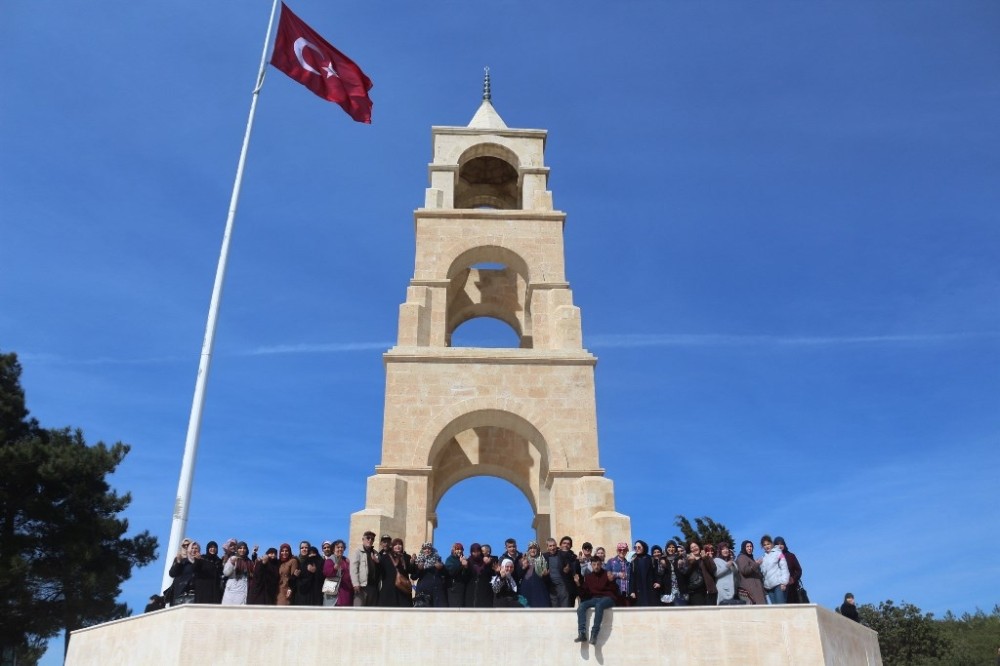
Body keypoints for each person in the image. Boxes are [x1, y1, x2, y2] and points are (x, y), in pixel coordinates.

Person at [575, 556, 620, 645]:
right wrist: (578, 584)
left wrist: (611, 581)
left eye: (598, 564)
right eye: (594, 564)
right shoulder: (588, 577)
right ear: (591, 565)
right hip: (594, 598)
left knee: (599, 605)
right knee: (582, 606)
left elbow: (615, 590)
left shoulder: (607, 574)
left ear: (601, 564)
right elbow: (584, 593)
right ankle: (582, 633)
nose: (596, 566)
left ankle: (594, 634)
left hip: (608, 598)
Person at [378, 538, 415, 607]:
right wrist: (377, 563)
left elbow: (411, 571)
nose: (398, 546)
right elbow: (379, 571)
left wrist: (412, 563)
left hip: (403, 589)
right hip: (389, 590)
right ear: (392, 546)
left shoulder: (406, 557)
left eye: (400, 544)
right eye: (395, 545)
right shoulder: (385, 557)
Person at [350, 531, 380, 607]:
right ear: (363, 539)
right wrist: (356, 584)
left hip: (373, 587)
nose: (370, 540)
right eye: (368, 538)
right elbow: (353, 569)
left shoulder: (376, 553)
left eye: (372, 539)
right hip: (361, 587)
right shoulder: (357, 552)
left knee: (371, 612)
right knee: (358, 610)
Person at [413, 542, 447, 607]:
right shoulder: (418, 561)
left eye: (429, 548)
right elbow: (413, 577)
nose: (427, 550)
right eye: (425, 549)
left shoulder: (438, 560)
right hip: (423, 594)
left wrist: (441, 568)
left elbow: (445, 574)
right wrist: (419, 569)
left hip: (436, 592)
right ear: (422, 550)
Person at [758, 535, 789, 604]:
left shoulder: (778, 553)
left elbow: (784, 568)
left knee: (781, 607)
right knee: (775, 610)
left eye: (768, 544)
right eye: (764, 545)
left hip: (778, 585)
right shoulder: (763, 558)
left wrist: (784, 582)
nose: (767, 546)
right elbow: (763, 573)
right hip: (769, 588)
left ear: (771, 544)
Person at [322, 539, 354, 607]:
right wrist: (334, 568)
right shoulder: (330, 560)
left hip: (346, 591)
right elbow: (326, 573)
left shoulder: (346, 560)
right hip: (335, 593)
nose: (340, 549)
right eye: (338, 547)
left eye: (342, 547)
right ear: (333, 550)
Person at [519, 541, 550, 608]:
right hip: (526, 588)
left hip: (539, 588)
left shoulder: (543, 559)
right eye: (530, 548)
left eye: (534, 548)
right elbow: (518, 575)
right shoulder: (523, 560)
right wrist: (523, 567)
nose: (532, 550)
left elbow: (546, 576)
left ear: (538, 549)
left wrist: (545, 575)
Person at [773, 536, 803, 603]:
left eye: (781, 544)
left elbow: (799, 570)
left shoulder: (791, 556)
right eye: (777, 544)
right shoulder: (773, 558)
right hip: (780, 589)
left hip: (792, 588)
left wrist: (793, 579)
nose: (780, 546)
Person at [167, 537, 196, 605]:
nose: (186, 547)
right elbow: (172, 573)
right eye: (184, 545)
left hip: (190, 590)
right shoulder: (178, 558)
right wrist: (178, 562)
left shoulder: (194, 558)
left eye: (188, 545)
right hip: (178, 589)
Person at [628, 540, 657, 606]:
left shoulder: (651, 559)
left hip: (651, 589)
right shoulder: (633, 562)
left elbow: (656, 573)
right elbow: (632, 578)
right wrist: (632, 591)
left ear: (644, 547)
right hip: (638, 590)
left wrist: (658, 582)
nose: (637, 549)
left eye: (639, 547)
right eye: (635, 547)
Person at [736, 540, 766, 605]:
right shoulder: (742, 557)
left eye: (751, 546)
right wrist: (756, 564)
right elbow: (745, 571)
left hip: (757, 588)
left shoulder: (750, 558)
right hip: (750, 589)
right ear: (744, 547)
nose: (750, 548)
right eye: (747, 546)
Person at [543, 538, 569, 608]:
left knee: (564, 606)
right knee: (554, 607)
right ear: (547, 547)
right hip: (551, 585)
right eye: (550, 546)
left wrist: (567, 569)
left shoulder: (562, 555)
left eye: (554, 545)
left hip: (562, 584)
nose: (552, 548)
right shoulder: (543, 556)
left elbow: (569, 565)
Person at [444, 542, 471, 608]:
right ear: (453, 550)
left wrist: (466, 566)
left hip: (464, 589)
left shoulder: (465, 560)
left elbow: (468, 575)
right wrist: (461, 564)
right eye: (457, 549)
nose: (459, 551)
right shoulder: (449, 560)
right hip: (453, 589)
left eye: (461, 549)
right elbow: (451, 572)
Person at [468, 543, 495, 607]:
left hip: (485, 593)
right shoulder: (468, 562)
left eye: (478, 551)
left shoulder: (488, 561)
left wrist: (488, 564)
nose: (476, 553)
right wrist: (465, 566)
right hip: (471, 594)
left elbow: (491, 574)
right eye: (474, 552)